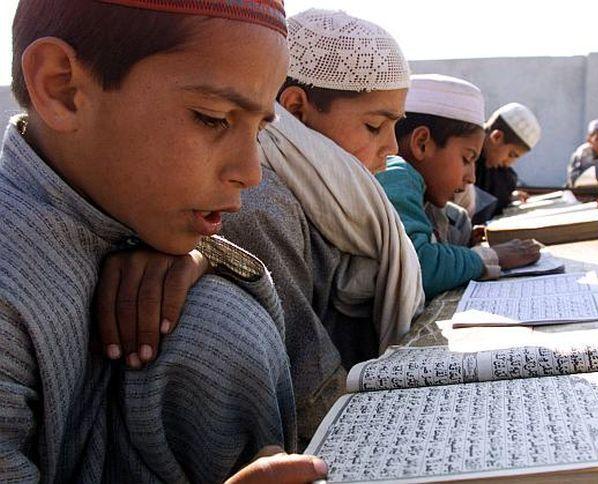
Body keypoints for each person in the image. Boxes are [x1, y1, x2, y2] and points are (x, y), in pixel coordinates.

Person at [0, 0, 327, 482]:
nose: (251, 173)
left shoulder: (128, 208)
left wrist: (203, 260)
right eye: (213, 117)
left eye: (258, 129)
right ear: (62, 87)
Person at [93, 8, 424, 446]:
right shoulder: (258, 204)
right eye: (374, 125)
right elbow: (312, 392)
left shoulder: (340, 206)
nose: (391, 148)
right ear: (296, 110)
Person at [376, 75, 541, 300]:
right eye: (467, 158)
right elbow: (417, 266)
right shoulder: (396, 173)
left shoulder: (423, 193)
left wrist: (462, 238)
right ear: (422, 143)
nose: (472, 177)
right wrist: (489, 257)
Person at [466, 102, 542, 223]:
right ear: (497, 137)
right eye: (511, 155)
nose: (509, 163)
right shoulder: (464, 157)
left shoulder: (500, 171)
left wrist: (509, 198)